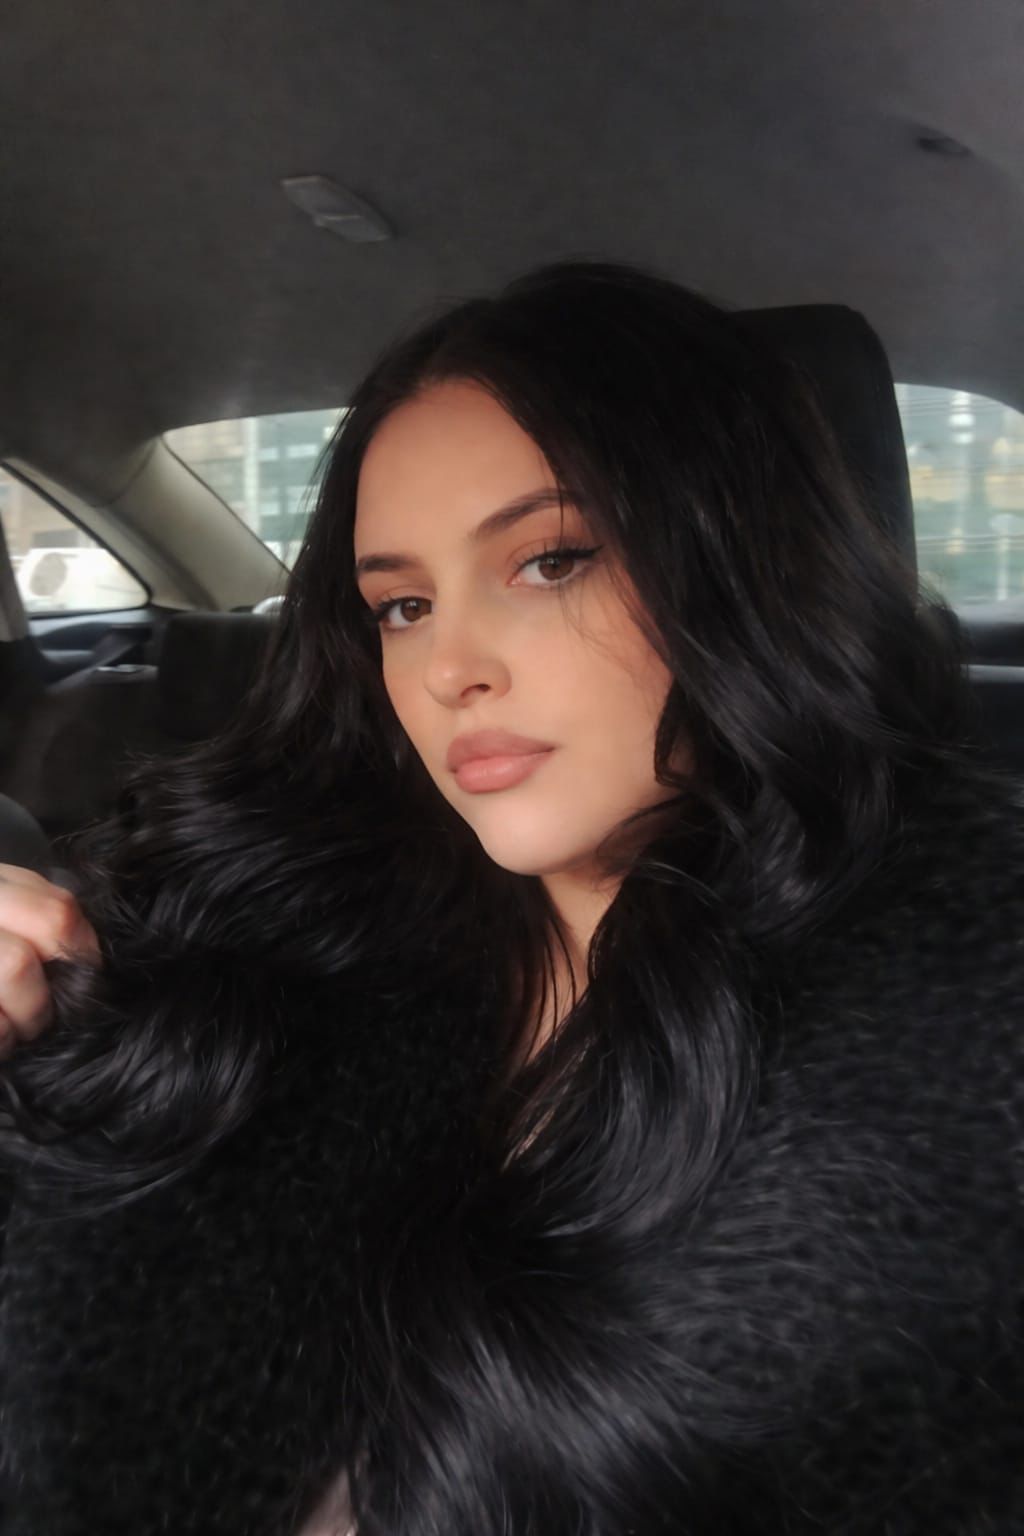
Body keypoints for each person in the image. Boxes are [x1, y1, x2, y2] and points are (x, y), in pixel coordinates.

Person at [0, 260, 1022, 1536]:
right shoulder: (262, 943)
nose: (449, 668)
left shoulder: (959, 1021)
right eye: (401, 606)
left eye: (548, 562)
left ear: (740, 564)